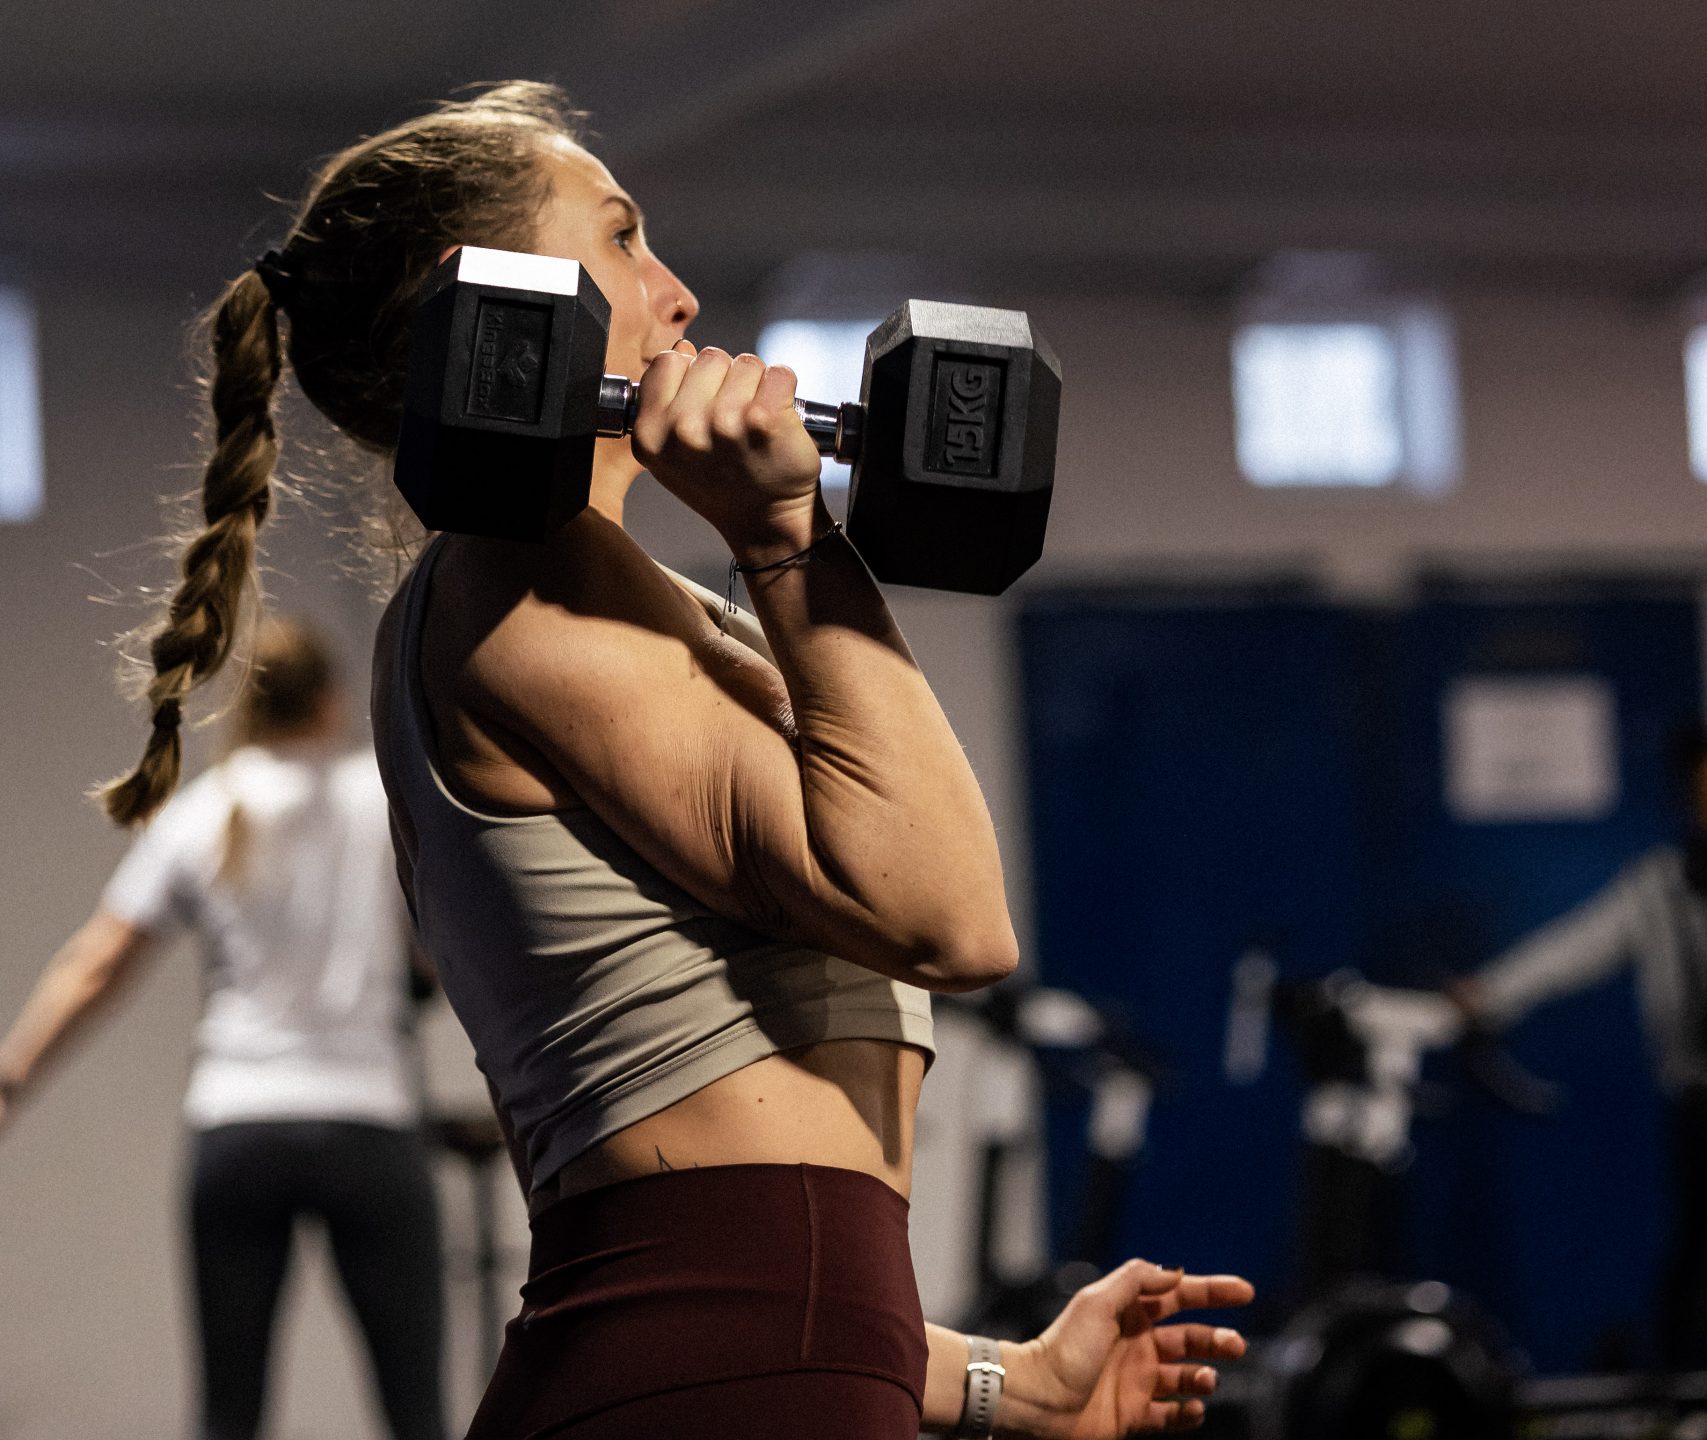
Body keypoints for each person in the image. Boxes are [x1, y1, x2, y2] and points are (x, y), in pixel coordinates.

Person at [98, 81, 1251, 1438]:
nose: (679, 291)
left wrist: (1012, 1382)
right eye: (621, 237)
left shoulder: (582, 598)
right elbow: (947, 917)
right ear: (501, 308)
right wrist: (784, 536)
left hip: (740, 1367)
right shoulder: (526, 590)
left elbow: (744, 1252)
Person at [1, 615, 446, 1440]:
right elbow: (445, 953)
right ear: (330, 699)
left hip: (239, 1125)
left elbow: (96, 962)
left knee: (228, 1413)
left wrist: (12, 1075)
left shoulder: (202, 812)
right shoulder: (382, 803)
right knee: (416, 1411)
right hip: (368, 1120)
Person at [1454, 722, 1707, 1369]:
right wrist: (1490, 992)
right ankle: (1682, 1382)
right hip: (1696, 1100)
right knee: (1693, 1249)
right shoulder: (1660, 886)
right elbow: (1575, 947)